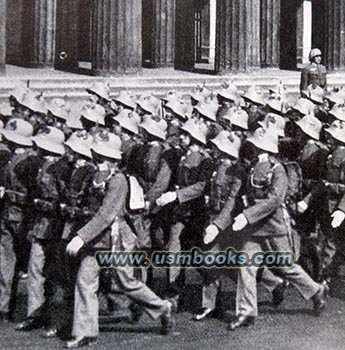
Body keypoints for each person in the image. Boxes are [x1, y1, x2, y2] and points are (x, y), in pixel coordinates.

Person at [65, 130, 175, 348]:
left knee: (126, 282)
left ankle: (163, 307)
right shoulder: (95, 176)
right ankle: (85, 331)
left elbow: (107, 215)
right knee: (84, 281)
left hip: (116, 239)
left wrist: (80, 237)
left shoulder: (118, 181)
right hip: (96, 240)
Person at [227, 127, 328, 331]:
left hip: (273, 228)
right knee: (246, 266)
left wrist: (246, 216)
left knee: (286, 267)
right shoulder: (253, 168)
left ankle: (316, 291)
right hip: (254, 230)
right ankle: (246, 311)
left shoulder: (278, 169)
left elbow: (274, 200)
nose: (251, 148)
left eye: (255, 145)